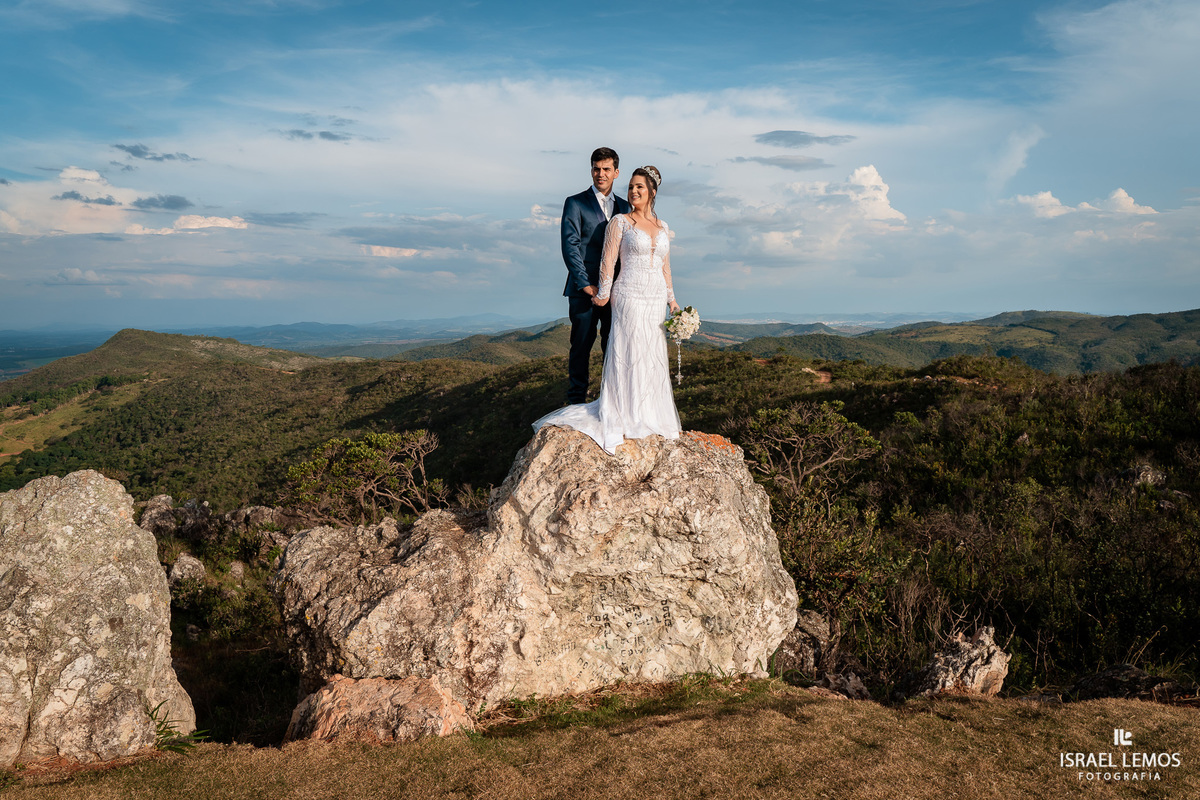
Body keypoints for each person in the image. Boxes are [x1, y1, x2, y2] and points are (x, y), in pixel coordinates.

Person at [535, 166, 682, 454]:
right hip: (628, 294)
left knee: (650, 352)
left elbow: (665, 267)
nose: (633, 191)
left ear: (652, 192)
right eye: (631, 187)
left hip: (654, 299)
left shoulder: (663, 226)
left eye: (639, 187)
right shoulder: (620, 221)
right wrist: (602, 294)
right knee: (628, 350)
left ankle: (650, 413)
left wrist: (672, 300)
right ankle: (625, 412)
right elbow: (607, 260)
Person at [560, 147, 632, 404]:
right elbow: (570, 246)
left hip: (616, 292)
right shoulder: (575, 203)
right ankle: (576, 401)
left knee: (613, 347)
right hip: (584, 291)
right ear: (591, 170)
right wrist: (586, 285)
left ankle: (610, 401)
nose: (600, 174)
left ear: (616, 172)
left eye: (606, 169)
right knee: (581, 346)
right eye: (596, 169)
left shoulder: (626, 206)